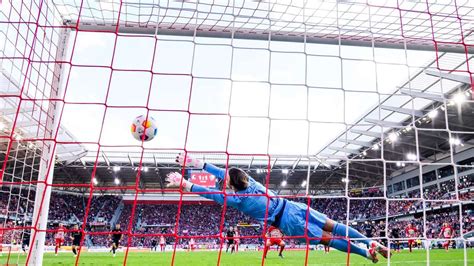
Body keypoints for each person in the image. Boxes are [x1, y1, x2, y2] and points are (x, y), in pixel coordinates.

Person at [167, 154, 390, 263]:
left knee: (328, 239)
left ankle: (365, 253)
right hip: (294, 206)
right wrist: (198, 163)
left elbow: (213, 194)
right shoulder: (251, 182)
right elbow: (225, 174)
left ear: (232, 185)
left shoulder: (238, 200)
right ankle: (371, 242)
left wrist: (186, 183)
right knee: (336, 225)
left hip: (287, 222)